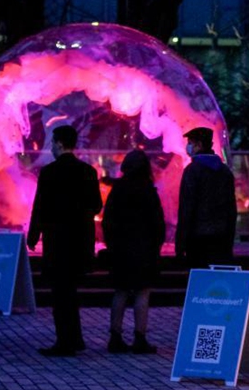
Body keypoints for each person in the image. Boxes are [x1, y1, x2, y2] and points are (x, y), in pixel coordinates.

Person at [27, 125, 103, 357]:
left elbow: (39, 206)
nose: (51, 147)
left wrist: (34, 235)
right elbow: (97, 206)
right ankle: (75, 338)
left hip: (57, 241)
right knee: (70, 290)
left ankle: (65, 341)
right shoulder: (88, 172)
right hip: (79, 241)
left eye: (52, 143)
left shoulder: (49, 172)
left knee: (60, 293)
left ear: (59, 143)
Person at [102, 149, 165, 354]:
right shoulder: (148, 190)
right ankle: (139, 337)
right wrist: (156, 245)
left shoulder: (118, 189)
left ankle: (115, 336)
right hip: (144, 249)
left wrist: (111, 244)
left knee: (120, 290)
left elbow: (108, 220)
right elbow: (157, 223)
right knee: (142, 291)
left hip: (120, 248)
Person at [175, 127, 237, 268]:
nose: (188, 147)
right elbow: (231, 208)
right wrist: (230, 240)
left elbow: (186, 209)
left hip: (197, 239)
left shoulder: (192, 171)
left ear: (199, 145)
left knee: (198, 280)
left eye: (191, 143)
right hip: (221, 237)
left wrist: (180, 245)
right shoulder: (224, 171)